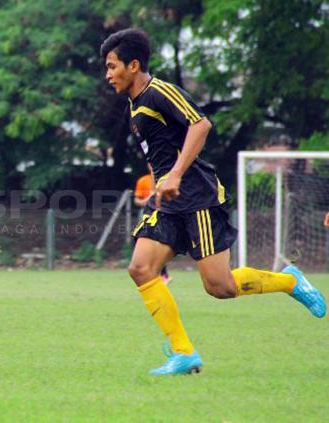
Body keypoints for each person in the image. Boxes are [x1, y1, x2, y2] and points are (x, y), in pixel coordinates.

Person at [101, 28, 325, 375]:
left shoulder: (160, 91)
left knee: (220, 287)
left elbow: (200, 124)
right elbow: (157, 152)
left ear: (133, 65)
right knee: (141, 268)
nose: (108, 74)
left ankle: (291, 282)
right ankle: (183, 352)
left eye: (112, 66)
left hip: (197, 195)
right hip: (168, 200)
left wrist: (175, 175)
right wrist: (160, 182)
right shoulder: (134, 105)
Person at [133, 167, 171, 284]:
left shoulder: (168, 179)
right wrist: (146, 201)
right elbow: (136, 200)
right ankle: (156, 273)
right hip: (147, 215)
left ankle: (163, 274)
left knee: (159, 243)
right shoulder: (143, 180)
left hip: (163, 215)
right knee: (142, 240)